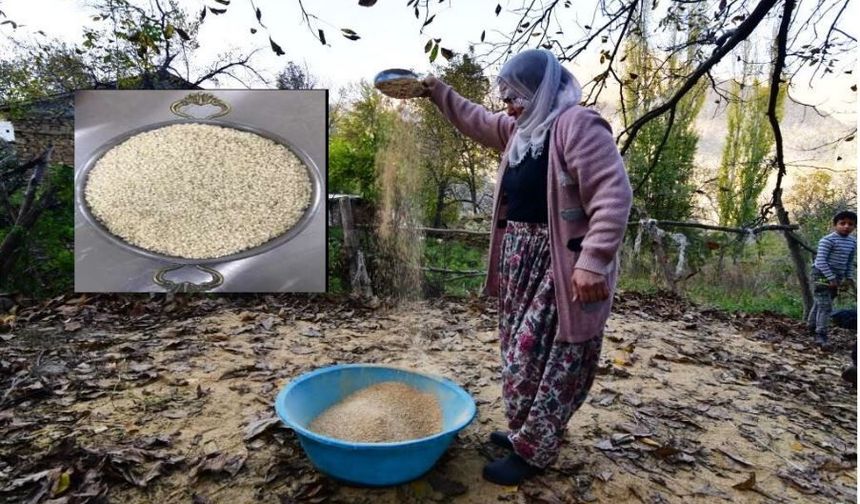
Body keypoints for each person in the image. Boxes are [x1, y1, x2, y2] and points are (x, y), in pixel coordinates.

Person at [421, 49, 632, 485]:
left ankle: (534, 450)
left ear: (541, 91)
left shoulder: (576, 125)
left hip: (563, 266)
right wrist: (436, 91)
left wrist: (593, 261)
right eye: (505, 97)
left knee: (550, 359)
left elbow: (613, 195)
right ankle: (527, 432)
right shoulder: (521, 131)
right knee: (520, 355)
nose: (507, 106)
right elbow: (476, 119)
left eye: (515, 96)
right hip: (521, 263)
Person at [807, 210, 856, 346]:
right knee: (825, 305)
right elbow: (820, 261)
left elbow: (849, 262)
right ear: (835, 225)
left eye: (850, 224)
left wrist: (848, 278)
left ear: (854, 226)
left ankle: (811, 326)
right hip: (821, 275)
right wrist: (831, 278)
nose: (846, 226)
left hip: (837, 276)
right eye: (842, 223)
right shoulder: (827, 240)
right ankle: (821, 334)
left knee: (821, 303)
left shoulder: (852, 242)